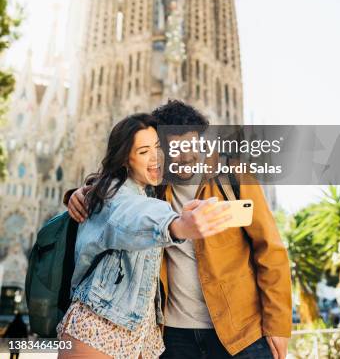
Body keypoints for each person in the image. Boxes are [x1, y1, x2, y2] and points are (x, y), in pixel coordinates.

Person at [67, 101, 292, 359]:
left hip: (240, 332)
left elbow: (270, 250)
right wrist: (82, 193)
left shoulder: (233, 175)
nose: (185, 157)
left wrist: (278, 324)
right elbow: (121, 198)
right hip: (174, 336)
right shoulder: (156, 188)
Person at [58, 113, 231, 359]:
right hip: (97, 325)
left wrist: (78, 192)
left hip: (143, 334)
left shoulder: (150, 190)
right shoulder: (112, 194)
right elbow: (130, 214)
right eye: (142, 151)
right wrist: (176, 225)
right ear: (125, 160)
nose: (155, 157)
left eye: (158, 147)